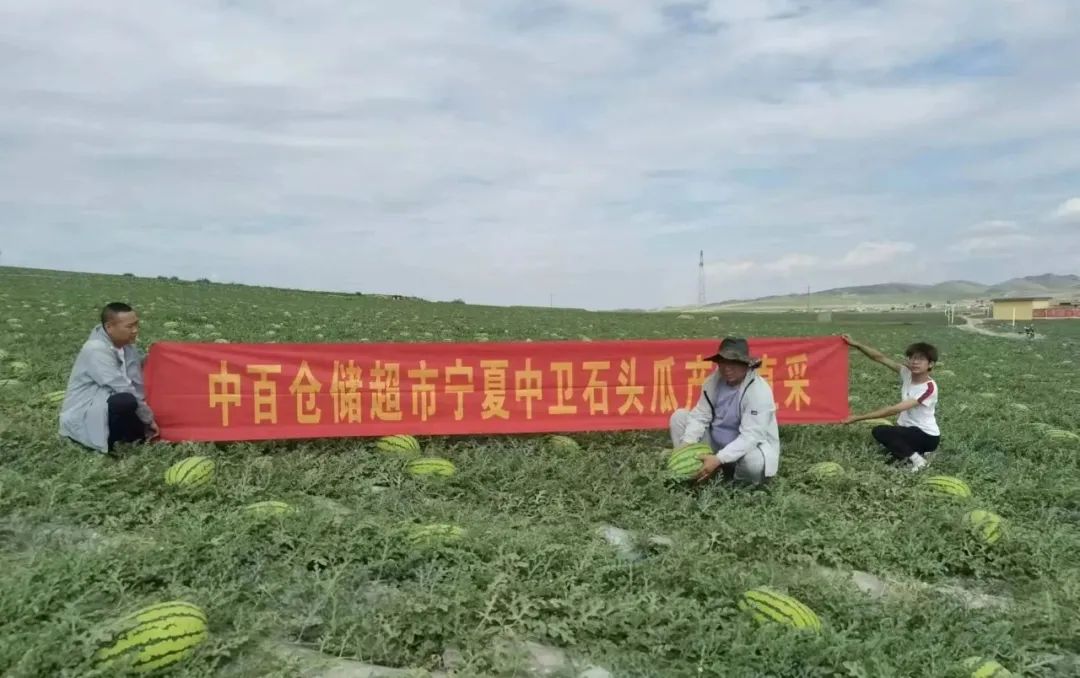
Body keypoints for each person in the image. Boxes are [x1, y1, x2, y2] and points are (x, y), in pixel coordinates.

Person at [669, 337, 780, 486]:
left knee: (754, 462)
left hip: (745, 448)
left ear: (746, 364)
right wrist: (687, 443)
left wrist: (719, 459)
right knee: (679, 417)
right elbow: (701, 415)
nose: (727, 368)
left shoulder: (759, 392)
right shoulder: (712, 382)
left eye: (733, 363)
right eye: (723, 362)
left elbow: (751, 436)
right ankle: (693, 473)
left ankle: (737, 485)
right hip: (715, 444)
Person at [59, 302, 159, 453]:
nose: (135, 330)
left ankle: (132, 436)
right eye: (129, 326)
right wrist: (148, 419)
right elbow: (121, 386)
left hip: (116, 404)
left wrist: (159, 355)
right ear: (109, 327)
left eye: (136, 325)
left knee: (129, 403)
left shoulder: (127, 346)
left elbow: (137, 368)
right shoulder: (95, 349)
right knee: (124, 401)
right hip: (91, 409)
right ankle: (119, 439)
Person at [841, 335, 940, 472]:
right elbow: (880, 358)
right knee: (890, 452)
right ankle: (917, 452)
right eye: (912, 358)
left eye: (921, 359)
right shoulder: (907, 373)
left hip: (926, 435)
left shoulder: (928, 388)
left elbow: (893, 410)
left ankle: (920, 461)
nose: (915, 362)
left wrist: (857, 418)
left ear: (931, 364)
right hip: (909, 430)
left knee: (881, 431)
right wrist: (856, 344)